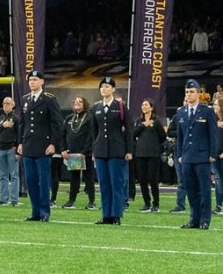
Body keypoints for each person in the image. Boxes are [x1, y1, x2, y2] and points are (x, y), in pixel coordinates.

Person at [18, 70, 63, 222]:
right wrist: (19, 142)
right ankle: (35, 212)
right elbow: (22, 123)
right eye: (30, 80)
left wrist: (53, 144)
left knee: (43, 181)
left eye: (35, 80)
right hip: (28, 146)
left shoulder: (49, 99)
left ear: (42, 82)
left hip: (44, 146)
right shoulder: (25, 99)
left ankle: (44, 212)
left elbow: (57, 124)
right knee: (30, 181)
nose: (32, 82)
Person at [176, 79, 219, 230]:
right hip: (187, 157)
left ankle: (205, 219)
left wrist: (213, 153)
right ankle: (194, 219)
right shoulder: (180, 111)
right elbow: (180, 136)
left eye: (192, 91)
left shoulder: (207, 111)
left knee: (204, 190)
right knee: (191, 190)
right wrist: (179, 155)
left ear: (199, 93)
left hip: (202, 157)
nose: (189, 94)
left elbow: (213, 134)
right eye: (187, 92)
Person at [90, 77, 133, 225]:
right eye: (102, 87)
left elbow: (128, 129)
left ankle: (116, 214)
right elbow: (94, 132)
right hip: (101, 150)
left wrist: (129, 150)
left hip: (117, 150)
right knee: (104, 184)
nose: (104, 89)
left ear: (113, 89)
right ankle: (106, 214)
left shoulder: (120, 106)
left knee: (117, 183)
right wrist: (94, 150)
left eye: (107, 87)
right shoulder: (96, 107)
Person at [61, 96, 95, 210]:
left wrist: (85, 152)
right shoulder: (69, 118)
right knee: (74, 177)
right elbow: (63, 135)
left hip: (86, 153)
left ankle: (91, 202)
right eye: (75, 101)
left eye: (80, 101)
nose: (77, 103)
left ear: (85, 104)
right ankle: (71, 201)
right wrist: (63, 149)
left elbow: (91, 136)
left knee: (88, 177)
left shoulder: (89, 117)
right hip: (73, 153)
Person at [133, 98, 166, 213]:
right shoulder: (138, 121)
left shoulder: (156, 121)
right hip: (140, 154)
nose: (144, 106)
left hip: (153, 154)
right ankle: (146, 203)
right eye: (142, 105)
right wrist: (143, 125)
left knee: (153, 179)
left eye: (146, 105)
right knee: (142, 180)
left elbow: (163, 137)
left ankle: (155, 204)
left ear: (151, 107)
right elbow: (133, 134)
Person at [0, 96, 20, 207]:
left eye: (8, 103)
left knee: (14, 175)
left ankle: (14, 199)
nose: (6, 105)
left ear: (13, 105)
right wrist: (3, 126)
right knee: (3, 175)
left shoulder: (16, 119)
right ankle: (3, 198)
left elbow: (19, 135)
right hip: (0, 149)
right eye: (4, 103)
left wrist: (18, 151)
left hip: (11, 149)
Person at [167, 111, 187, 214]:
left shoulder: (200, 114)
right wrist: (181, 131)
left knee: (196, 180)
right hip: (179, 151)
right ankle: (180, 205)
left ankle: (199, 206)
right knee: (181, 181)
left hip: (194, 151)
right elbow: (169, 132)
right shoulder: (177, 116)